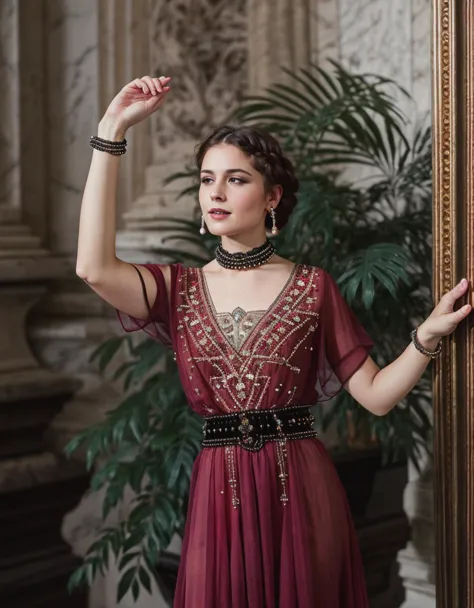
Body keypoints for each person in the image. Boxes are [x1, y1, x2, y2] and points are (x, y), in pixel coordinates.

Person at [76, 75, 472, 608]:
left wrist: (425, 336)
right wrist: (110, 131)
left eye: (235, 179)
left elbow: (376, 397)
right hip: (219, 496)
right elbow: (93, 267)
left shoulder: (313, 287)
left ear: (272, 197)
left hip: (301, 492)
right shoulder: (178, 289)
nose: (215, 192)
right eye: (206, 179)